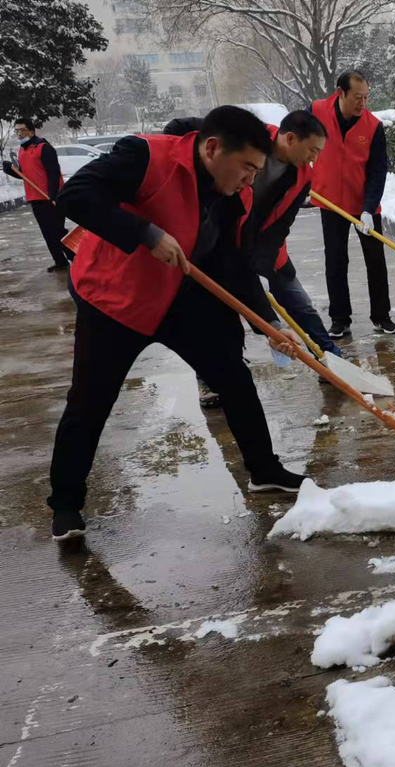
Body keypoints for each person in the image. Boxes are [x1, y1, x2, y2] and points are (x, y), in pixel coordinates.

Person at [47, 106, 307, 542]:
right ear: (212, 148)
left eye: (256, 172)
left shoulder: (230, 196)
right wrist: (146, 233)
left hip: (176, 298)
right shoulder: (146, 156)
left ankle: (265, 469)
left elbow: (230, 262)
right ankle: (66, 504)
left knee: (232, 374)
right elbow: (74, 196)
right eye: (246, 168)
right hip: (115, 298)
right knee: (91, 401)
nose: (249, 181)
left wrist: (267, 323)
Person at [164, 109, 341, 408]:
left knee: (296, 298)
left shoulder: (302, 176)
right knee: (220, 310)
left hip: (262, 245)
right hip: (217, 240)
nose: (314, 159)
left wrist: (258, 264)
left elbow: (283, 222)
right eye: (311, 150)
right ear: (289, 138)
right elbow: (187, 126)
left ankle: (329, 355)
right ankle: (210, 377)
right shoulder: (251, 138)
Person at [309, 70, 394, 338]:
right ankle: (340, 318)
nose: (362, 103)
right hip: (330, 202)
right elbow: (297, 142)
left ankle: (382, 316)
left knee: (376, 261)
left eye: (366, 97)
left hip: (363, 205)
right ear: (340, 92)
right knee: (335, 260)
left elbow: (378, 170)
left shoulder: (373, 126)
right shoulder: (316, 112)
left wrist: (369, 208)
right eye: (357, 97)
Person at [2, 118, 72, 272]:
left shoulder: (43, 148)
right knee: (47, 232)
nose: (19, 134)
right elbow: (24, 175)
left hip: (51, 197)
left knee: (57, 231)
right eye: (16, 131)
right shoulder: (22, 150)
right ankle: (60, 261)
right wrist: (10, 170)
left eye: (22, 130)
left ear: (32, 132)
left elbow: (53, 174)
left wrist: (53, 195)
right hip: (35, 198)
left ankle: (77, 258)